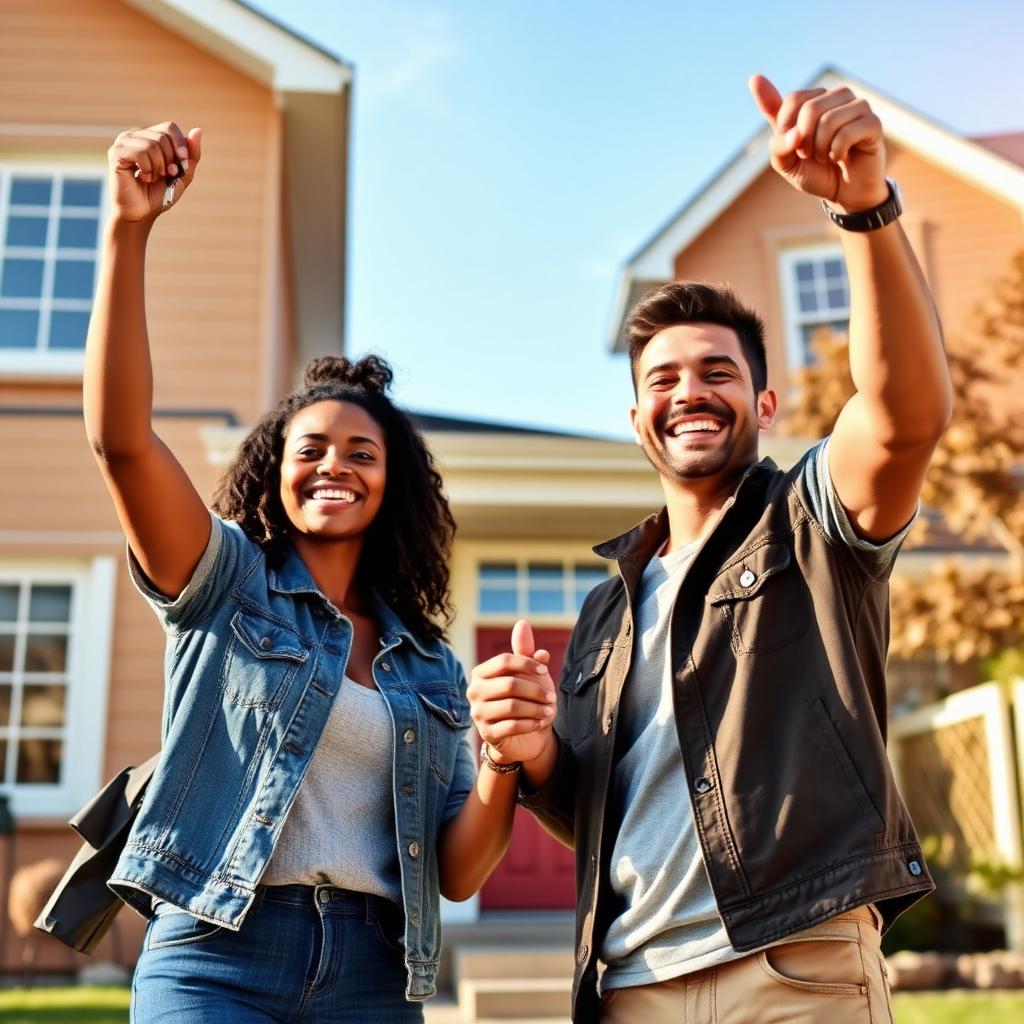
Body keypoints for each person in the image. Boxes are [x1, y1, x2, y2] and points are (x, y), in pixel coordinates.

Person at [468, 75, 951, 1023]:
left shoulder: (811, 523)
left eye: (718, 372)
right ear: (637, 418)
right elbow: (595, 805)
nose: (689, 391)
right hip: (630, 984)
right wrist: (529, 756)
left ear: (765, 406)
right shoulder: (611, 604)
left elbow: (903, 419)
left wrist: (863, 208)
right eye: (664, 378)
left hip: (793, 967)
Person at [85, 122, 531, 1023]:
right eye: (311, 447)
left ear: (391, 483)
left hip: (372, 973)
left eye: (361, 452)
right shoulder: (224, 582)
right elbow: (121, 441)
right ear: (274, 468)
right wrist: (128, 228)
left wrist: (501, 760)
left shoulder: (431, 668)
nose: (335, 464)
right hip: (217, 953)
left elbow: (455, 871)